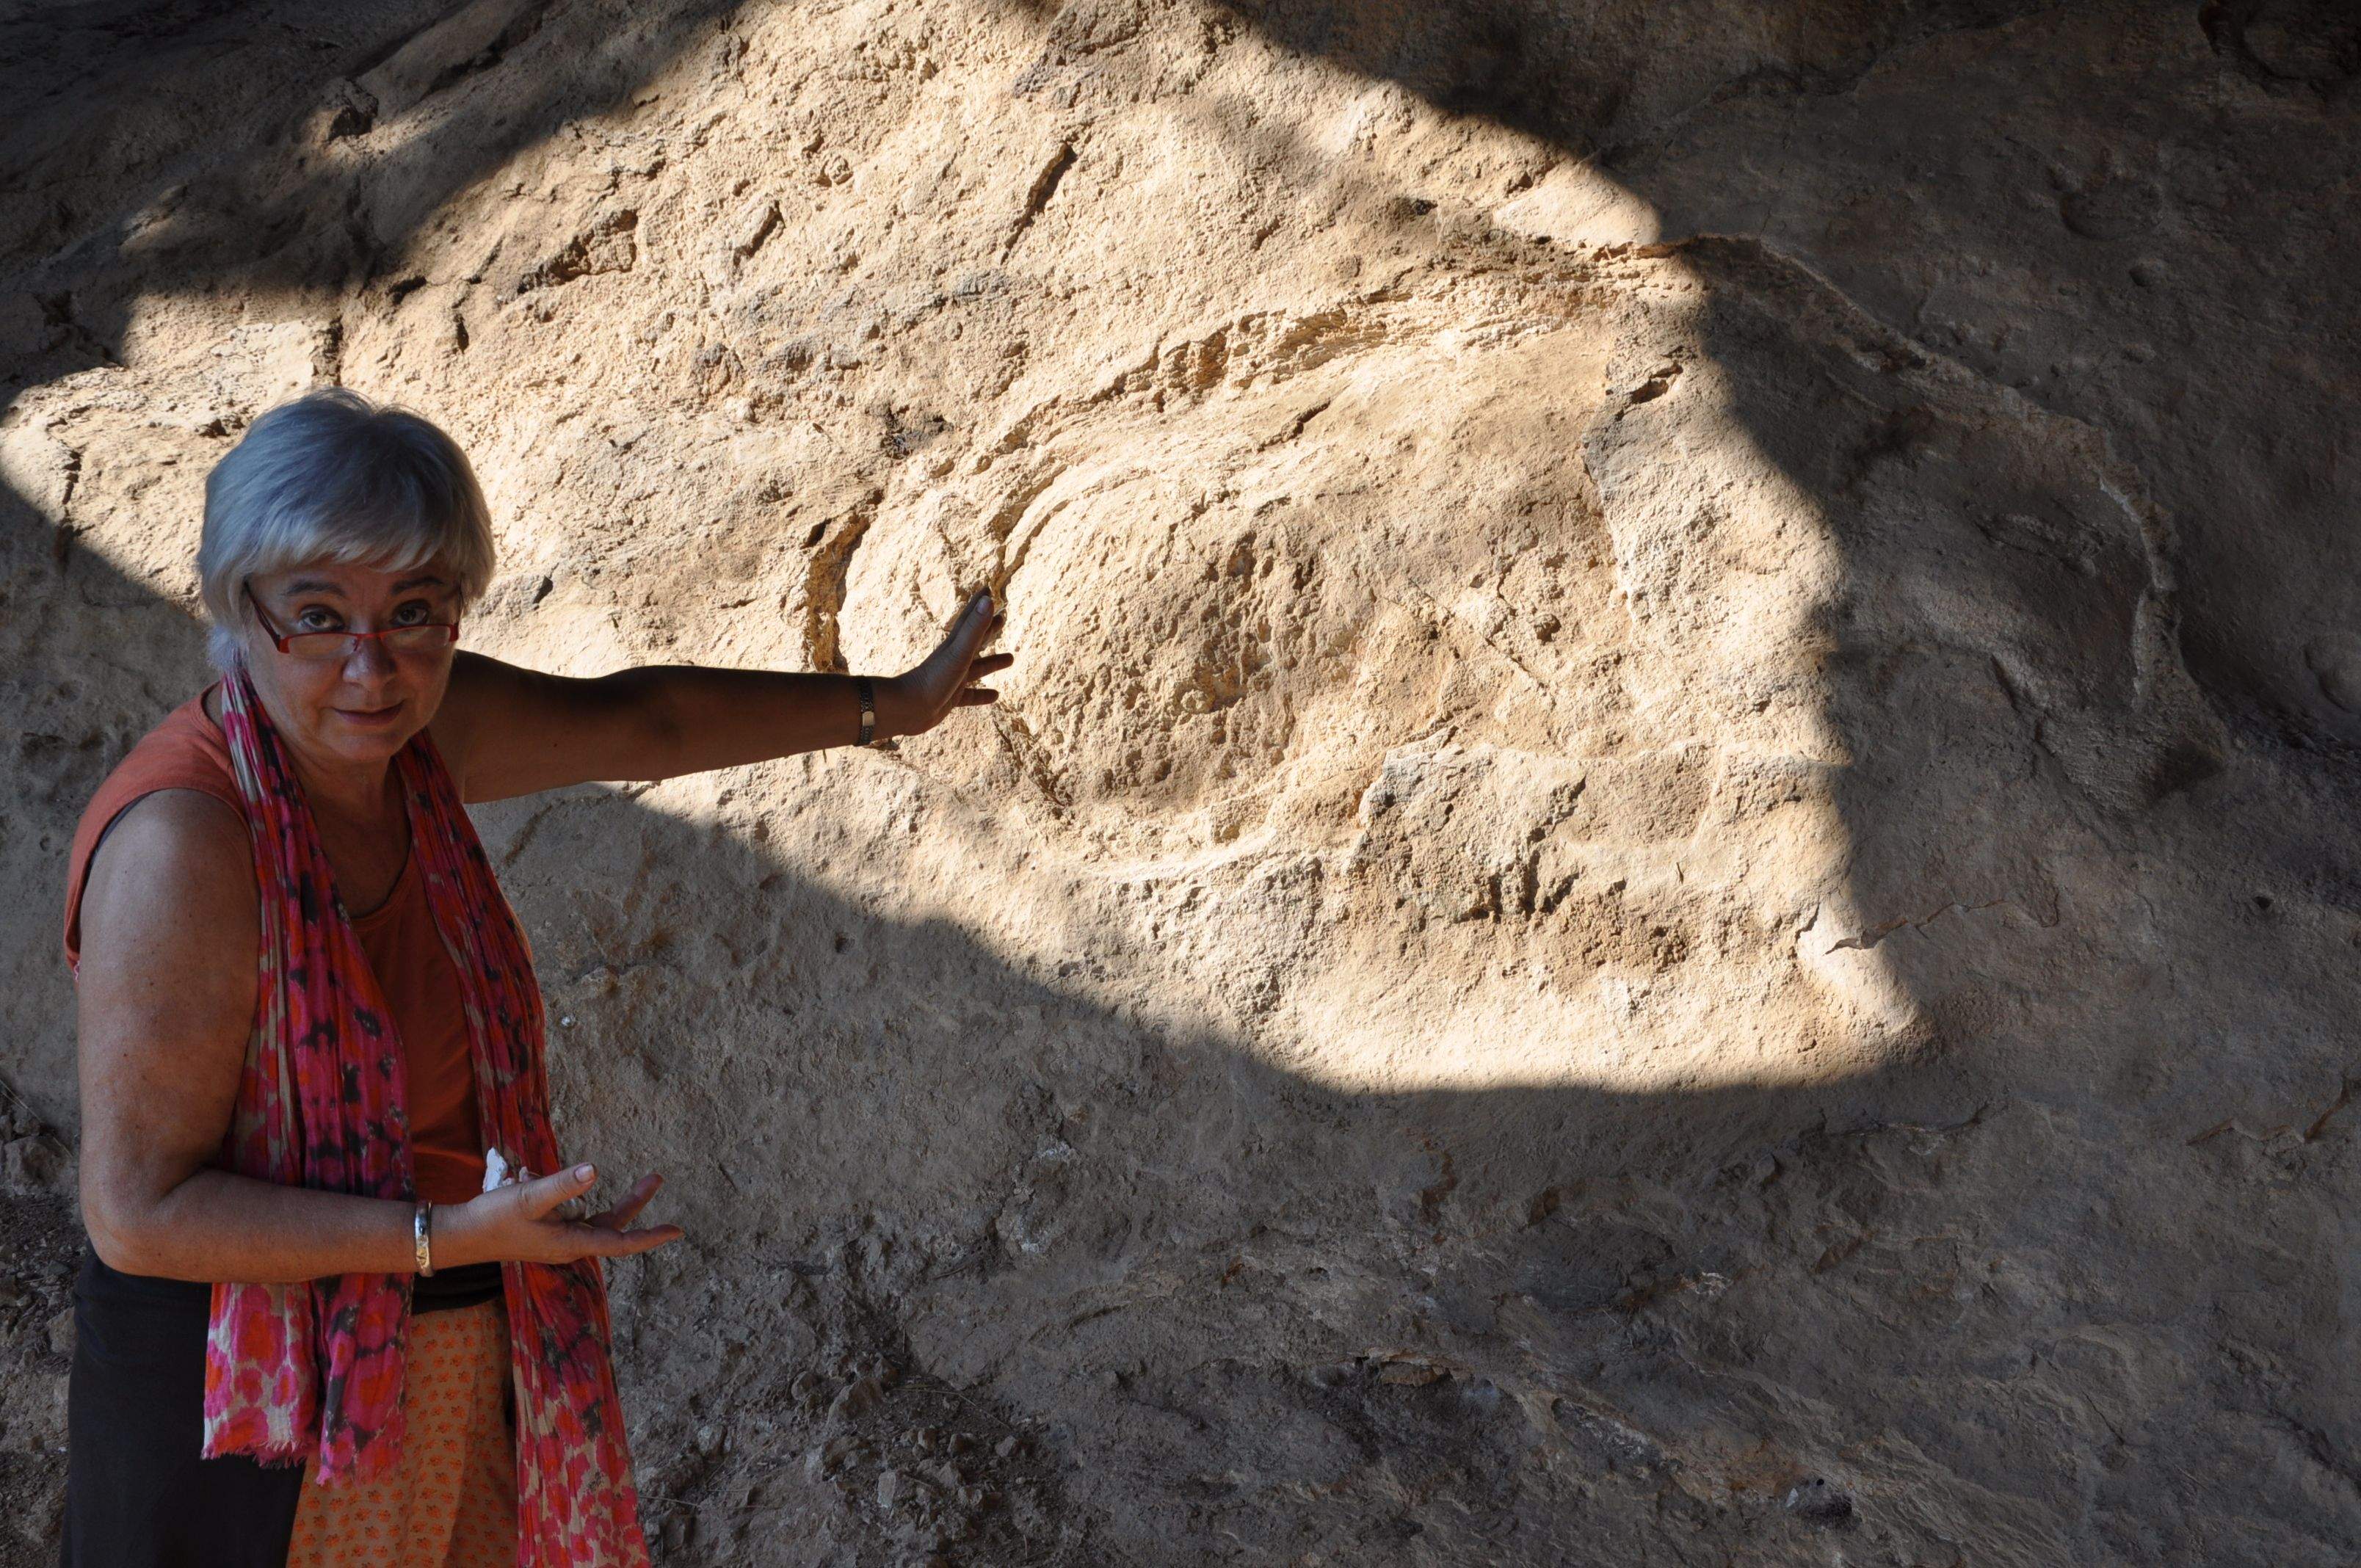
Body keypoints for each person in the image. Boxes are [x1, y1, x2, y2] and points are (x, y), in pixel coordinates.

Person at [57, 385, 1012, 1567]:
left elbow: (644, 724)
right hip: (242, 1400)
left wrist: (891, 706)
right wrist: (444, 1234)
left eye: (416, 612)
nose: (372, 664)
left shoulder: (414, 744)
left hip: (450, 1335)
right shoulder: (186, 843)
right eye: (318, 613)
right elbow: (139, 1215)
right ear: (236, 606)